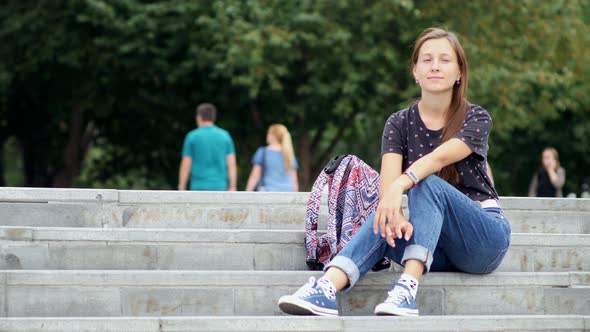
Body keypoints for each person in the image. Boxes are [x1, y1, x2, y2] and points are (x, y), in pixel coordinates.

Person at [277, 27, 511, 317]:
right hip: (435, 246)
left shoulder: (476, 117)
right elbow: (388, 188)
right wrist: (393, 212)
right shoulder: (399, 122)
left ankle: (407, 288)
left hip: (483, 238)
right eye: (426, 60)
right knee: (383, 217)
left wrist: (403, 183)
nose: (435, 66)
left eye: (444, 60)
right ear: (415, 71)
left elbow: (439, 158)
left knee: (425, 182)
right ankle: (326, 288)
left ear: (459, 72)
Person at [178, 103, 237, 191]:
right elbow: (231, 163)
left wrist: (182, 186)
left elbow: (186, 164)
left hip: (198, 186)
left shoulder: (192, 136)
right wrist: (233, 186)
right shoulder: (225, 136)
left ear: (199, 117)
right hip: (220, 186)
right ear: (213, 117)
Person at [245, 124, 299, 192]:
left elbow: (254, 176)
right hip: (287, 193)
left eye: (268, 133)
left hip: (268, 193)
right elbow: (294, 181)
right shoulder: (289, 154)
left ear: (272, 135)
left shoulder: (262, 152)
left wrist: (247, 192)